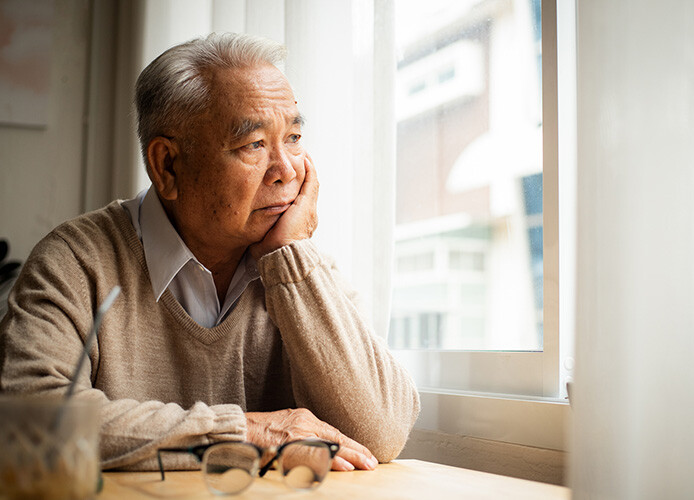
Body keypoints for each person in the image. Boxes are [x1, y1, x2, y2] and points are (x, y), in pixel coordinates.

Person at [0, 33, 419, 472]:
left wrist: (290, 258)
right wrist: (245, 434)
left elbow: (381, 435)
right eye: (254, 145)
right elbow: (30, 421)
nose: (289, 170)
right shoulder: (76, 261)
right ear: (167, 166)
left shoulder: (299, 270)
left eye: (294, 137)